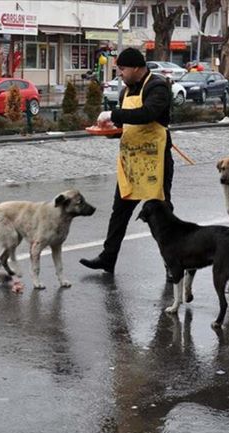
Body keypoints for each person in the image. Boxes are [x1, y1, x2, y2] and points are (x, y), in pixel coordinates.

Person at [79, 47, 175, 275]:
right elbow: (128, 126)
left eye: (122, 69)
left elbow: (147, 114)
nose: (120, 74)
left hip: (155, 161)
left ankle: (172, 264)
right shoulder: (126, 92)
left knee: (160, 214)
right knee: (119, 212)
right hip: (131, 161)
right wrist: (111, 130)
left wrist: (114, 114)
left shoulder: (158, 86)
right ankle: (108, 257)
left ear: (136, 67)